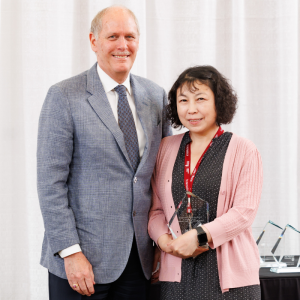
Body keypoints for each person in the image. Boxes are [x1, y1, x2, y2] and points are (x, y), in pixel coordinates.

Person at [37, 5, 171, 300]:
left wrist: (162, 244)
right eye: (113, 36)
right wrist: (70, 253)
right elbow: (51, 185)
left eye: (130, 37)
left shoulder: (156, 97)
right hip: (81, 263)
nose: (123, 46)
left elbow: (162, 180)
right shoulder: (63, 96)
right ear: (94, 41)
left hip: (140, 262)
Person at [148, 66, 263, 299]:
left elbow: (244, 212)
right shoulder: (164, 148)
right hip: (177, 274)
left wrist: (199, 236)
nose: (191, 109)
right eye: (183, 100)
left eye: (200, 99)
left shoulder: (244, 150)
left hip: (231, 280)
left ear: (218, 103)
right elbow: (156, 211)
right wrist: (164, 242)